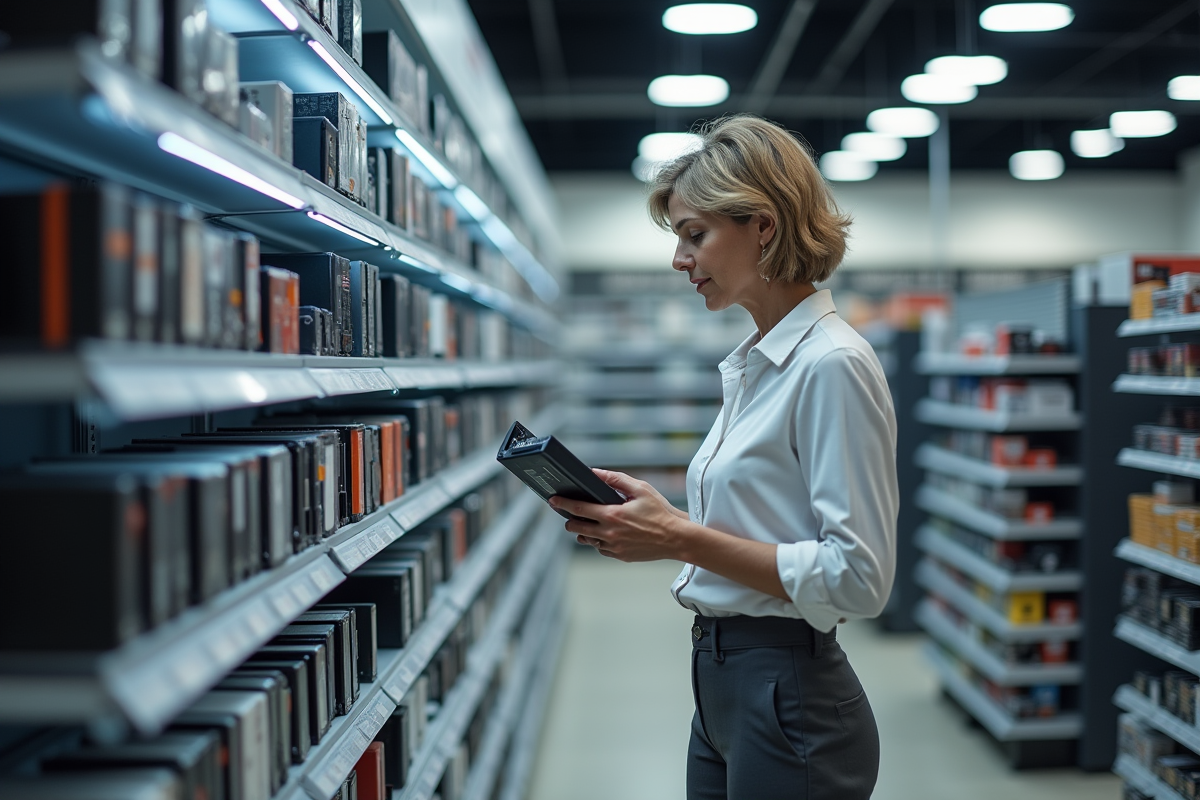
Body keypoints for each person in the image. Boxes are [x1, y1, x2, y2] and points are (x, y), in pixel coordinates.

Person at [547, 114, 898, 800]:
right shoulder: (757, 365)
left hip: (787, 693)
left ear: (762, 226)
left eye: (694, 236)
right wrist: (661, 520)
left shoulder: (831, 364)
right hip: (720, 683)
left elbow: (860, 578)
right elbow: (768, 525)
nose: (680, 261)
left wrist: (679, 537)